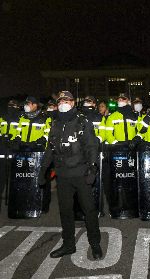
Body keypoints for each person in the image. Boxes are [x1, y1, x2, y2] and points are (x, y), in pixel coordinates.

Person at [38, 91, 102, 259]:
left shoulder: (82, 121)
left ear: (73, 103)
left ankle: (95, 244)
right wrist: (43, 170)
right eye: (60, 101)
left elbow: (92, 146)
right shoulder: (55, 123)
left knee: (89, 211)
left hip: (81, 173)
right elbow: (50, 148)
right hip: (63, 175)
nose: (63, 103)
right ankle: (68, 245)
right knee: (65, 212)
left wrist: (93, 169)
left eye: (66, 100)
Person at [10, 96, 53, 213]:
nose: (26, 106)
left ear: (35, 105)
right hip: (24, 153)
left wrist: (38, 142)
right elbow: (18, 132)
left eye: (28, 104)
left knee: (43, 179)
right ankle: (28, 202)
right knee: (26, 179)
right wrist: (17, 141)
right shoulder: (22, 118)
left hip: (41, 154)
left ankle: (45, 205)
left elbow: (48, 135)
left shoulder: (45, 118)